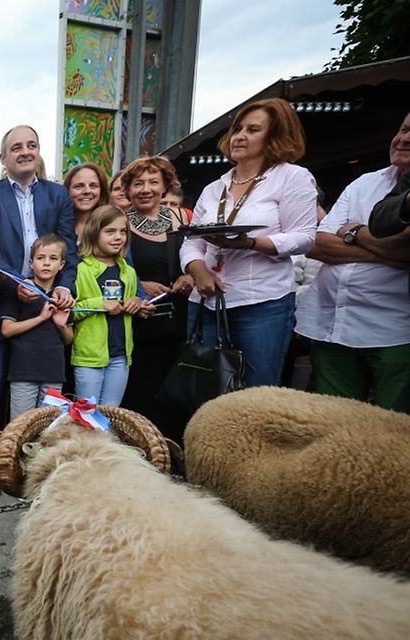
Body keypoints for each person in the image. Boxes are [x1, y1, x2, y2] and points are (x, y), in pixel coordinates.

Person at [0, 124, 78, 495]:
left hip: (47, 308)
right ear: (3, 158)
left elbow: (70, 253)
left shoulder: (58, 195)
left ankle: (42, 463)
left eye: (31, 145)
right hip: (1, 301)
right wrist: (20, 283)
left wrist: (61, 287)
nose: (25, 151)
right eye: (17, 147)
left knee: (47, 390)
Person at [180, 97, 318, 388]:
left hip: (261, 304)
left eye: (253, 130)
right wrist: (198, 271)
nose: (240, 135)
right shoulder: (214, 187)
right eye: (238, 128)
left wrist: (250, 244)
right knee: (204, 388)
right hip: (206, 302)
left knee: (257, 393)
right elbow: (191, 242)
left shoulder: (292, 177)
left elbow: (304, 237)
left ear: (275, 137)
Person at [297, 112, 410, 412]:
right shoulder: (365, 183)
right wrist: (383, 248)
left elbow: (406, 249)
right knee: (336, 429)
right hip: (332, 326)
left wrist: (353, 231)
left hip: (396, 333)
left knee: (396, 433)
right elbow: (317, 243)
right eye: (403, 129)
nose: (404, 139)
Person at [119, 156, 194, 431]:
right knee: (142, 387)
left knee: (176, 386)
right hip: (142, 318)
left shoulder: (180, 218)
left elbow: (198, 255)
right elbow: (110, 267)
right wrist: (141, 284)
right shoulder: (121, 223)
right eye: (138, 183)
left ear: (165, 186)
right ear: (128, 190)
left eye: (153, 182)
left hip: (180, 316)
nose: (145, 189)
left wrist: (190, 275)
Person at [72, 205, 152, 406]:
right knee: (86, 415)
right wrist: (100, 303)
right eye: (110, 231)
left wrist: (137, 304)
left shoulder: (128, 271)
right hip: (89, 357)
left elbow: (130, 302)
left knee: (111, 413)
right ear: (93, 233)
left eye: (123, 231)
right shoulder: (81, 270)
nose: (118, 237)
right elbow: (69, 313)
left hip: (121, 356)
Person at [1, 234, 73, 419]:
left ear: (62, 265)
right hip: (24, 372)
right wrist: (40, 318)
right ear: (31, 263)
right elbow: (7, 329)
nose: (47, 263)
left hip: (54, 373)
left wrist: (61, 325)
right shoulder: (22, 291)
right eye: (41, 258)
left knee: (49, 427)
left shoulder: (62, 296)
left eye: (53, 258)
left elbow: (69, 339)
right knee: (22, 424)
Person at [63, 161, 110, 239]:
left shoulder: (113, 223)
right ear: (67, 190)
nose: (87, 191)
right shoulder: (55, 225)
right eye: (79, 186)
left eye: (93, 186)